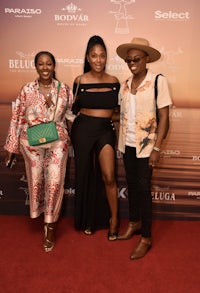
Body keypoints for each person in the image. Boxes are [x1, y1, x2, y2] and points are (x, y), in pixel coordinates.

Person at [4, 51, 73, 252]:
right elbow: (17, 118)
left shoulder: (64, 90)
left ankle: (50, 225)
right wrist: (11, 148)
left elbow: (70, 114)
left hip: (57, 141)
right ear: (36, 66)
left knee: (54, 182)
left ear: (54, 66)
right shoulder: (27, 90)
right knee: (36, 181)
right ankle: (41, 214)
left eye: (49, 64)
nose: (45, 68)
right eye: (41, 64)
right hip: (31, 143)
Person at [116, 38, 172, 259]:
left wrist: (157, 148)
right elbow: (121, 115)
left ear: (146, 59)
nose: (132, 63)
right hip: (128, 145)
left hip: (147, 147)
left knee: (143, 189)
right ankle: (134, 222)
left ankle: (146, 237)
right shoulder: (125, 83)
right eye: (128, 59)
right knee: (131, 184)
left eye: (136, 59)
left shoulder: (158, 81)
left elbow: (165, 117)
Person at [70, 35, 120, 240]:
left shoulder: (115, 82)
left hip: (105, 130)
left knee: (108, 176)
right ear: (88, 58)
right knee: (85, 175)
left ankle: (114, 220)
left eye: (102, 56)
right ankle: (88, 220)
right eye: (94, 56)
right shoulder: (79, 81)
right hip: (82, 130)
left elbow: (118, 112)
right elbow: (73, 110)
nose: (98, 60)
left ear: (106, 57)